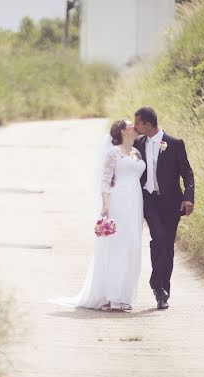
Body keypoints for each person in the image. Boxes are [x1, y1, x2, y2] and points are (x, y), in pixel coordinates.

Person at [52, 120, 146, 311]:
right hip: (118, 201)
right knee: (116, 246)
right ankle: (110, 295)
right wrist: (105, 204)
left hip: (135, 202)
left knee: (132, 246)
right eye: (130, 125)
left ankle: (124, 295)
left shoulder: (137, 152)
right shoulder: (114, 152)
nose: (134, 127)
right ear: (122, 131)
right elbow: (105, 179)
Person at [134, 107, 195, 310]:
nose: (135, 127)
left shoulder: (175, 144)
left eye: (138, 123)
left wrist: (188, 198)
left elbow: (187, 173)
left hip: (171, 203)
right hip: (149, 201)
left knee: (167, 246)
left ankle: (161, 291)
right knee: (159, 238)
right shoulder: (138, 144)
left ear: (148, 124)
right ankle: (157, 284)